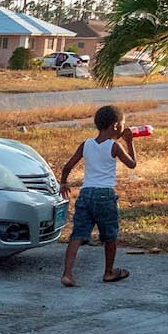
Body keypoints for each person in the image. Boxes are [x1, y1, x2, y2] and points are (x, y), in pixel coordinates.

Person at [56, 104, 138, 287]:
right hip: (105, 195)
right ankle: (108, 272)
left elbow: (68, 166)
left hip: (86, 194)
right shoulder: (114, 146)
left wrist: (63, 182)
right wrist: (130, 142)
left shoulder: (86, 144)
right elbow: (132, 164)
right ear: (116, 126)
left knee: (77, 235)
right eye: (122, 124)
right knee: (110, 236)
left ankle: (67, 274)